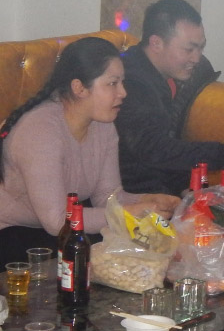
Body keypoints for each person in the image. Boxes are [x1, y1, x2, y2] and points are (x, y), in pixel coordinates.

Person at [0, 37, 179, 266]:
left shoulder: (103, 124)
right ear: (79, 88)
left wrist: (147, 200)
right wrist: (130, 213)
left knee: (144, 249)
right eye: (112, 83)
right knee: (101, 253)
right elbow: (56, 221)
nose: (123, 92)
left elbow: (107, 197)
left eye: (122, 82)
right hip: (13, 235)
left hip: (58, 231)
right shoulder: (41, 130)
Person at [116, 0, 224, 196]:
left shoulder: (171, 76)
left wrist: (190, 192)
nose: (197, 58)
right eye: (189, 49)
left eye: (201, 48)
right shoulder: (129, 82)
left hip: (165, 187)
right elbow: (154, 150)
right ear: (156, 43)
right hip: (132, 196)